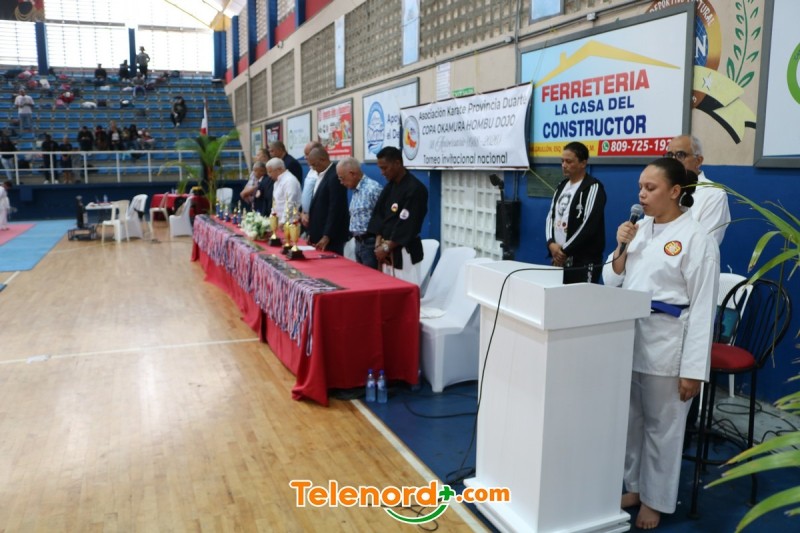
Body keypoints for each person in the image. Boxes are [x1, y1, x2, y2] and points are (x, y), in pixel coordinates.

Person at [602, 157, 719, 530]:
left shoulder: (697, 239)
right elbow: (611, 279)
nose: (642, 194)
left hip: (669, 345)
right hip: (631, 338)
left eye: (650, 188)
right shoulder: (638, 229)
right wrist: (621, 246)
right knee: (632, 423)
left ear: (675, 191)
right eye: (640, 187)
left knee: (662, 428)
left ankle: (656, 500)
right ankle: (635, 487)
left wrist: (693, 370)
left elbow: (703, 309)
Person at [545, 141, 606, 284]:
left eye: (569, 161)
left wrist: (564, 251)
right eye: (562, 161)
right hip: (559, 258)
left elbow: (589, 225)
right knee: (557, 295)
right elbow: (550, 217)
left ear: (583, 163)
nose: (564, 165)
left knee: (582, 297)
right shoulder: (561, 186)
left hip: (583, 261)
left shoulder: (593, 188)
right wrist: (551, 243)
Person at [367, 146, 428, 284]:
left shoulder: (415, 189)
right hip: (385, 253)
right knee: (387, 291)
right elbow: (379, 214)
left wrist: (387, 247)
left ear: (397, 163)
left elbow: (409, 223)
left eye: (385, 168)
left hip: (405, 253)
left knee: (405, 290)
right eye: (380, 168)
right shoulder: (390, 187)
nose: (382, 173)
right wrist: (378, 243)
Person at [665, 135, 730, 246]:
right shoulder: (661, 188)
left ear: (698, 161)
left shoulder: (714, 194)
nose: (673, 161)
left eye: (680, 155)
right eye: (670, 155)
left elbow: (706, 244)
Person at [337, 157, 383, 269]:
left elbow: (383, 217)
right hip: (358, 242)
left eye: (342, 178)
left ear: (352, 174)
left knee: (371, 278)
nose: (341, 183)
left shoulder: (372, 189)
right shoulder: (356, 190)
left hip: (370, 243)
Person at [306, 146, 350, 254]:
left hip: (330, 237)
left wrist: (327, 235)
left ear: (323, 159)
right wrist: (311, 232)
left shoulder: (334, 175)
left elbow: (336, 209)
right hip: (318, 233)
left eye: (314, 164)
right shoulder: (321, 174)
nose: (313, 168)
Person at [266, 158, 302, 223]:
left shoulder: (289, 181)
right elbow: (275, 204)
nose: (269, 175)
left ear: (279, 169)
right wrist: (272, 220)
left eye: (270, 172)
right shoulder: (277, 182)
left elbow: (290, 203)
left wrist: (282, 222)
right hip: (278, 222)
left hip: (289, 223)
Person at [300, 141, 323, 228]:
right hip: (306, 217)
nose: (305, 157)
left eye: (307, 154)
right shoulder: (311, 170)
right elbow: (306, 194)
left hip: (317, 218)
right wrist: (303, 213)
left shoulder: (322, 172)